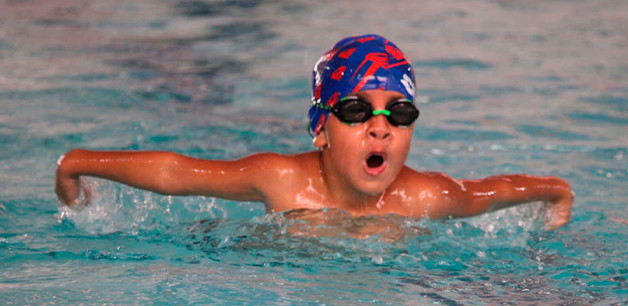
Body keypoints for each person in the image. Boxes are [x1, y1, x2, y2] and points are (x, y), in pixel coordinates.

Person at [55, 35, 574, 229]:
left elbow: (492, 192)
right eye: (356, 110)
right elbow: (179, 172)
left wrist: (556, 191)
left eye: (399, 112)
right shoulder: (281, 180)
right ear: (319, 129)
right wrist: (77, 163)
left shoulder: (425, 197)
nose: (380, 128)